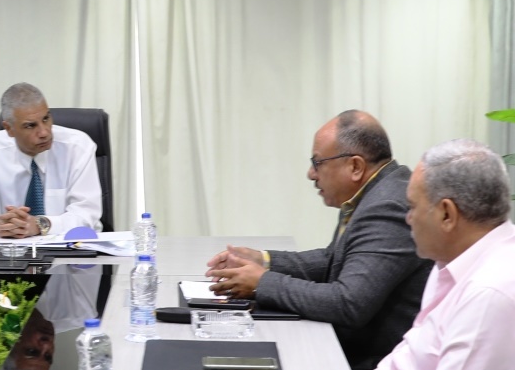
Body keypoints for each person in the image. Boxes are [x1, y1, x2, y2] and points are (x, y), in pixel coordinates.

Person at [205, 110, 432, 370]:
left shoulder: (387, 206)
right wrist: (263, 260)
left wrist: (262, 282)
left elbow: (348, 303)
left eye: (317, 162)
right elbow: (333, 259)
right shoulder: (374, 192)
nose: (311, 174)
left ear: (355, 167)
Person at [376, 139, 515, 369]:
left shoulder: (489, 295)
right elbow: (413, 351)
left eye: (412, 207)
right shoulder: (450, 259)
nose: (408, 218)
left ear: (447, 214)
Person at [0, 82, 101, 238]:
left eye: (46, 119)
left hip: (72, 248)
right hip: (9, 249)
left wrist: (40, 224)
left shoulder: (77, 147)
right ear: (9, 129)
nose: (44, 132)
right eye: (30, 126)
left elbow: (86, 215)